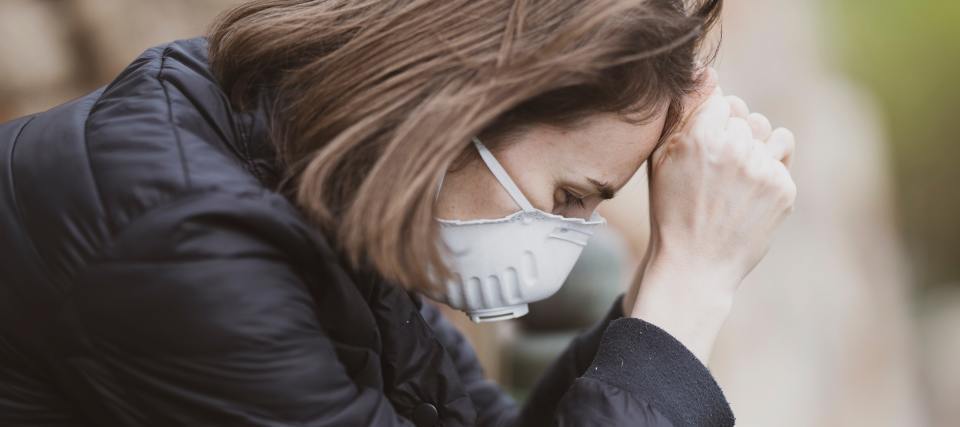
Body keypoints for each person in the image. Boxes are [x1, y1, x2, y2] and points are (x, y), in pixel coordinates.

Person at [0, 0, 795, 425]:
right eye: (570, 196)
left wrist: (662, 282)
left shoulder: (305, 186)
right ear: (460, 110)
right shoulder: (180, 236)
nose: (570, 235)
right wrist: (689, 292)